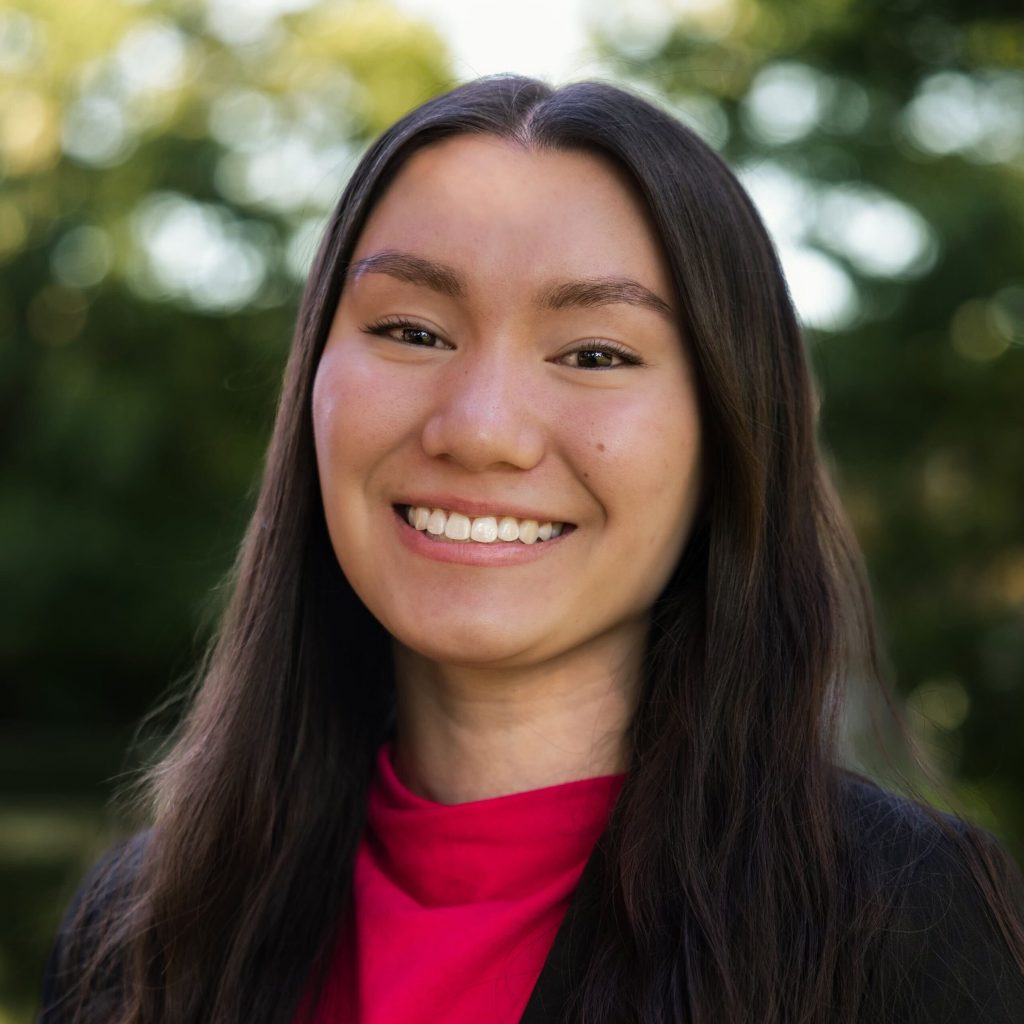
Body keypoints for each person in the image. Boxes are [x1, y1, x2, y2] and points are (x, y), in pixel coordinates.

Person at [38, 75, 1024, 1024]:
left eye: (594, 354)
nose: (481, 428)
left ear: (727, 434)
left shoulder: (896, 928)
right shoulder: (137, 936)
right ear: (310, 391)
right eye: (412, 331)